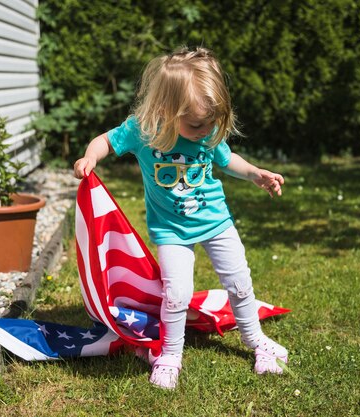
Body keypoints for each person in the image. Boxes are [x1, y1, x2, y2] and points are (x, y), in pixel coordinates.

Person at [73, 46, 287, 389]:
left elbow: (228, 159)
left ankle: (255, 340)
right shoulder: (143, 130)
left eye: (211, 123)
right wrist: (89, 158)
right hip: (171, 230)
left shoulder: (207, 130)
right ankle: (170, 354)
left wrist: (254, 173)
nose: (205, 130)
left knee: (239, 282)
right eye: (196, 124)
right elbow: (105, 141)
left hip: (216, 223)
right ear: (166, 110)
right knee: (176, 294)